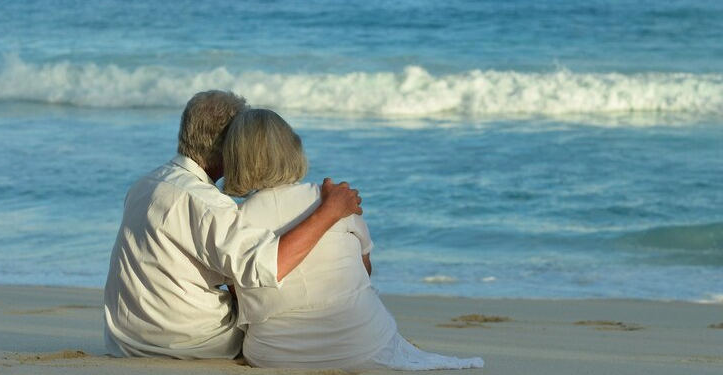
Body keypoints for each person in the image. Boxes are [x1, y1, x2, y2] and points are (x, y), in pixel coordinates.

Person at [104, 91, 362, 359]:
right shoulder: (206, 202)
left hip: (125, 339)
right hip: (190, 342)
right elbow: (268, 266)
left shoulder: (146, 184)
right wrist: (330, 211)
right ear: (230, 144)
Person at [223, 108, 484, 370]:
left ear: (234, 161)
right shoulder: (335, 199)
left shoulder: (235, 220)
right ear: (294, 149)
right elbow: (365, 269)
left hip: (273, 354)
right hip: (362, 344)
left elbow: (238, 292)